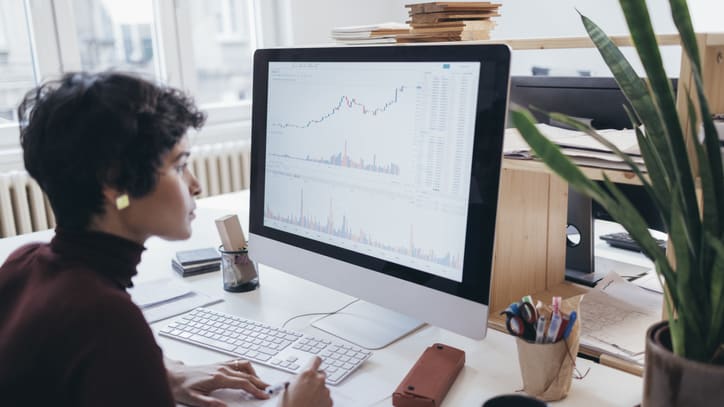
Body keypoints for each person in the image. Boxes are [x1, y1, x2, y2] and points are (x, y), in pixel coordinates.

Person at [0, 72, 332, 407]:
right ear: (115, 184)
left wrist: (161, 375)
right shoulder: (107, 320)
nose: (195, 185)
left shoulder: (23, 263)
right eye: (179, 166)